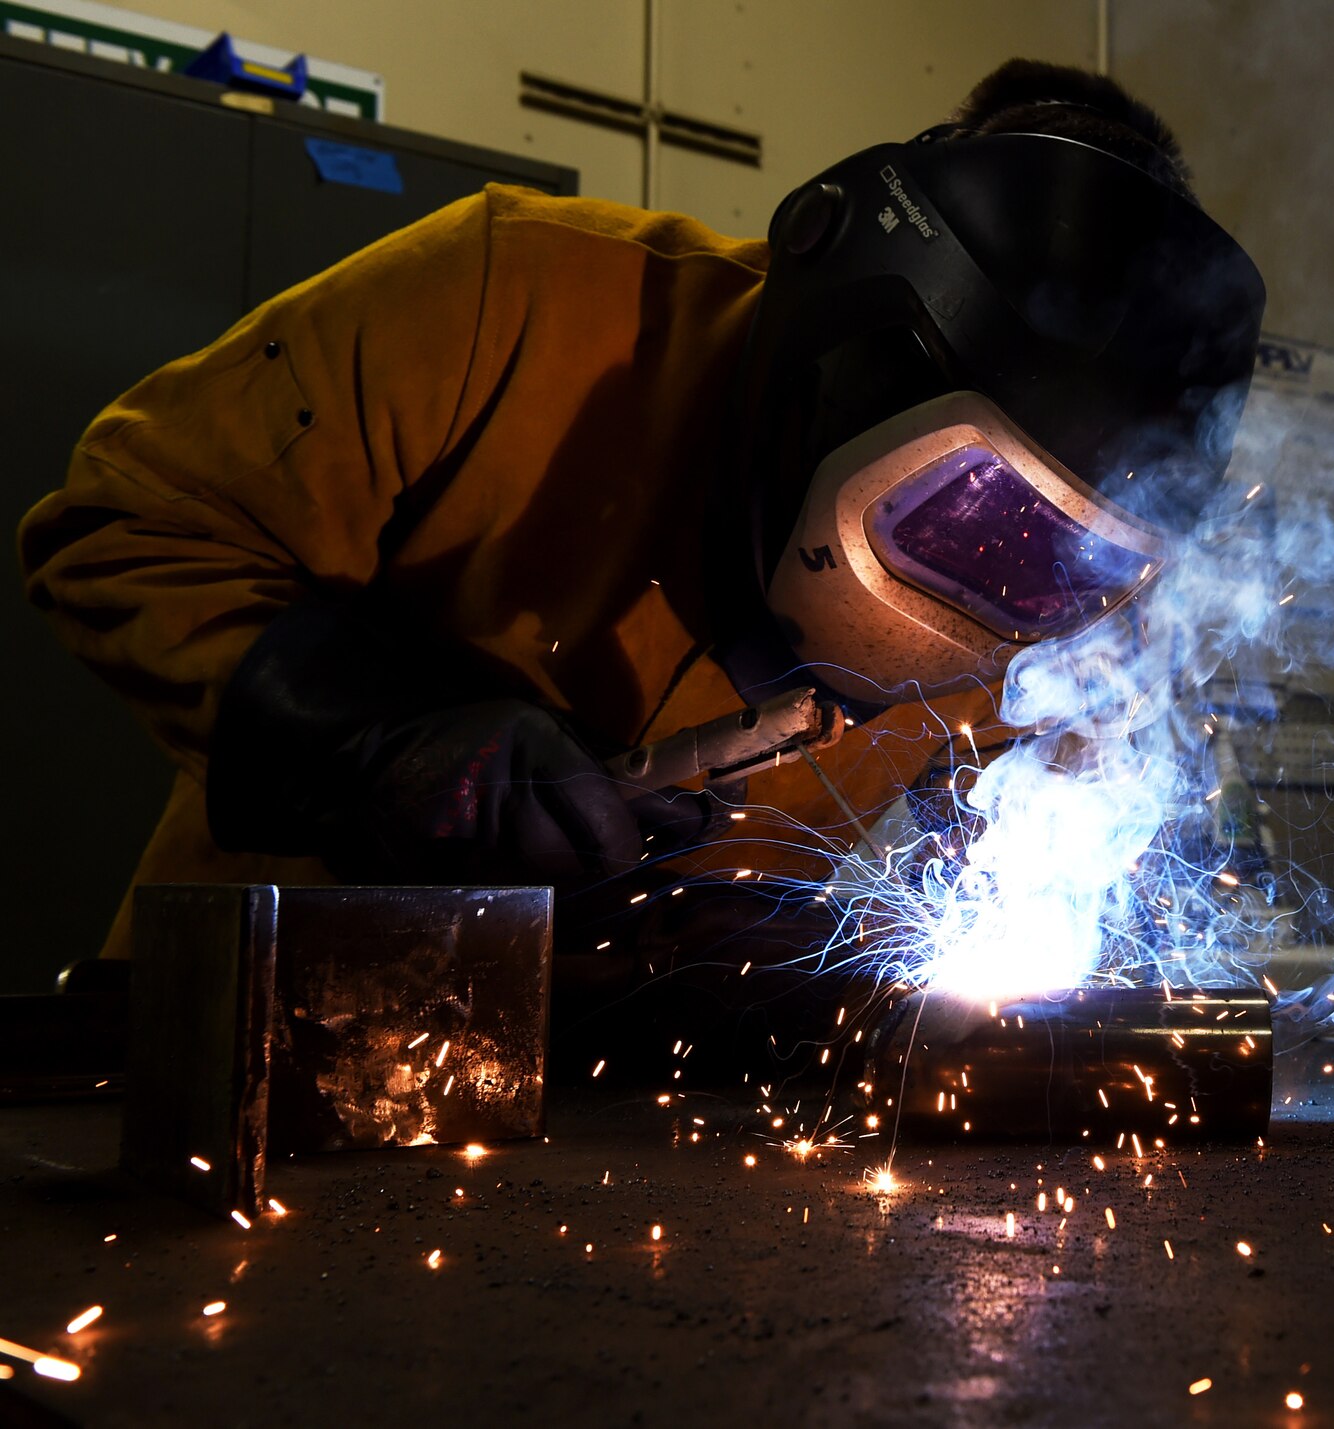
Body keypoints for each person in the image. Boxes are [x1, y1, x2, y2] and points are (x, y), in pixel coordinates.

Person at [18, 59, 1265, 1045]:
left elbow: (1044, 840)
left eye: (1048, 554)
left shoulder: (1084, 616)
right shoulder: (517, 292)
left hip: (650, 1121)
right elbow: (123, 524)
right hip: (264, 1051)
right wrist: (379, 736)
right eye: (962, 509)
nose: (995, 576)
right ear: (868, 354)